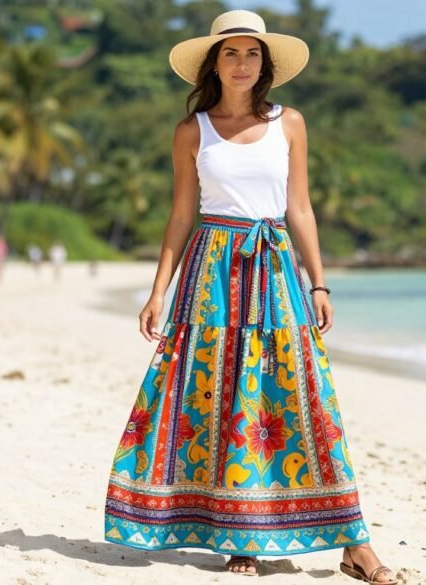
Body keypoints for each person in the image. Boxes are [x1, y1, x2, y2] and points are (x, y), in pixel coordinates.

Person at [102, 10, 396, 583]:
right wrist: (157, 291)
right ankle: (241, 536)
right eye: (231, 52)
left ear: (266, 64)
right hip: (211, 273)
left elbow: (300, 209)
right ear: (214, 62)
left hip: (276, 269)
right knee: (220, 400)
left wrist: (319, 282)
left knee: (304, 399)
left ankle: (355, 543)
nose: (242, 63)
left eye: (252, 53)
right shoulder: (193, 131)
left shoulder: (291, 124)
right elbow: (182, 214)